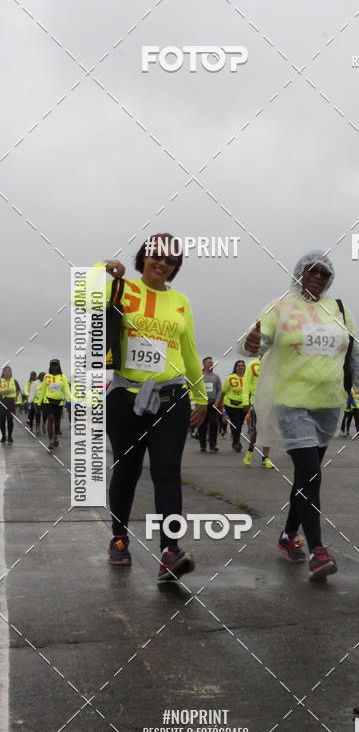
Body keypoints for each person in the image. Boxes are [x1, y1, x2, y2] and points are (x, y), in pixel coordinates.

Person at [240, 250, 359, 578]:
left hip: (329, 404)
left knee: (305, 476)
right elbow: (256, 344)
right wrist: (251, 343)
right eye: (312, 270)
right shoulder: (280, 307)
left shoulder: (339, 310)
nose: (318, 276)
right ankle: (318, 551)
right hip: (291, 402)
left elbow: (355, 356)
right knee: (311, 473)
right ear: (299, 272)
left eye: (325, 273)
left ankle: (287, 536)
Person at [100, 234, 207, 580]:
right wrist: (103, 270)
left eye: (171, 260)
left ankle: (169, 551)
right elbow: (78, 298)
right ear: (143, 257)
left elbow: (190, 352)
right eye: (156, 256)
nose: (162, 263)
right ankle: (119, 539)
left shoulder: (180, 302)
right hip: (125, 397)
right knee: (127, 470)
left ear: (176, 268)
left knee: (167, 473)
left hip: (171, 397)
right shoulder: (120, 289)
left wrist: (202, 397)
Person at [241, 357, 273, 468]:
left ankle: (265, 458)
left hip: (270, 402)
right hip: (257, 402)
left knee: (268, 430)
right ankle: (250, 452)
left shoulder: (274, 363)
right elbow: (246, 383)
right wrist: (245, 401)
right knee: (257, 429)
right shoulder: (253, 364)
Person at [39, 360, 70, 450]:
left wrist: (69, 398)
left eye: (56, 365)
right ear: (50, 366)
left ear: (59, 366)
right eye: (52, 365)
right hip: (48, 401)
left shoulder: (62, 376)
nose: (54, 367)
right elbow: (44, 389)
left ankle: (56, 436)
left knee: (57, 421)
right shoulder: (46, 376)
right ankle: (51, 441)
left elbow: (66, 388)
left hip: (59, 402)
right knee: (50, 418)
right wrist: (39, 402)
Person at [219, 361, 246, 451]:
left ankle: (235, 438)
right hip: (231, 404)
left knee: (240, 424)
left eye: (242, 366)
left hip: (244, 405)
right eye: (238, 366)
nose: (240, 367)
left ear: (245, 367)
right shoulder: (230, 378)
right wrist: (220, 402)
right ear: (235, 368)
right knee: (236, 423)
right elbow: (224, 391)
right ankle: (236, 442)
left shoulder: (247, 378)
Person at [197, 356, 222, 452]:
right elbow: (194, 388)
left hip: (213, 404)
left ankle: (213, 445)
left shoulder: (216, 377)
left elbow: (219, 390)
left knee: (214, 423)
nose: (211, 364)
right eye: (209, 362)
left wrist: (217, 401)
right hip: (201, 404)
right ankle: (202, 444)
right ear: (204, 364)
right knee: (202, 424)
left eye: (212, 362)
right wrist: (198, 401)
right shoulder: (199, 375)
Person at [0, 365, 17, 443]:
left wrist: (16, 396)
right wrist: (9, 391)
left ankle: (10, 436)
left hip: (11, 402)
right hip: (2, 401)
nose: (7, 372)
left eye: (9, 371)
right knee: (2, 419)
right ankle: (3, 436)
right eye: (5, 371)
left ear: (11, 372)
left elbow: (18, 390)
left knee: (10, 419)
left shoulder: (14, 381)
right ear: (3, 372)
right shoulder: (0, 380)